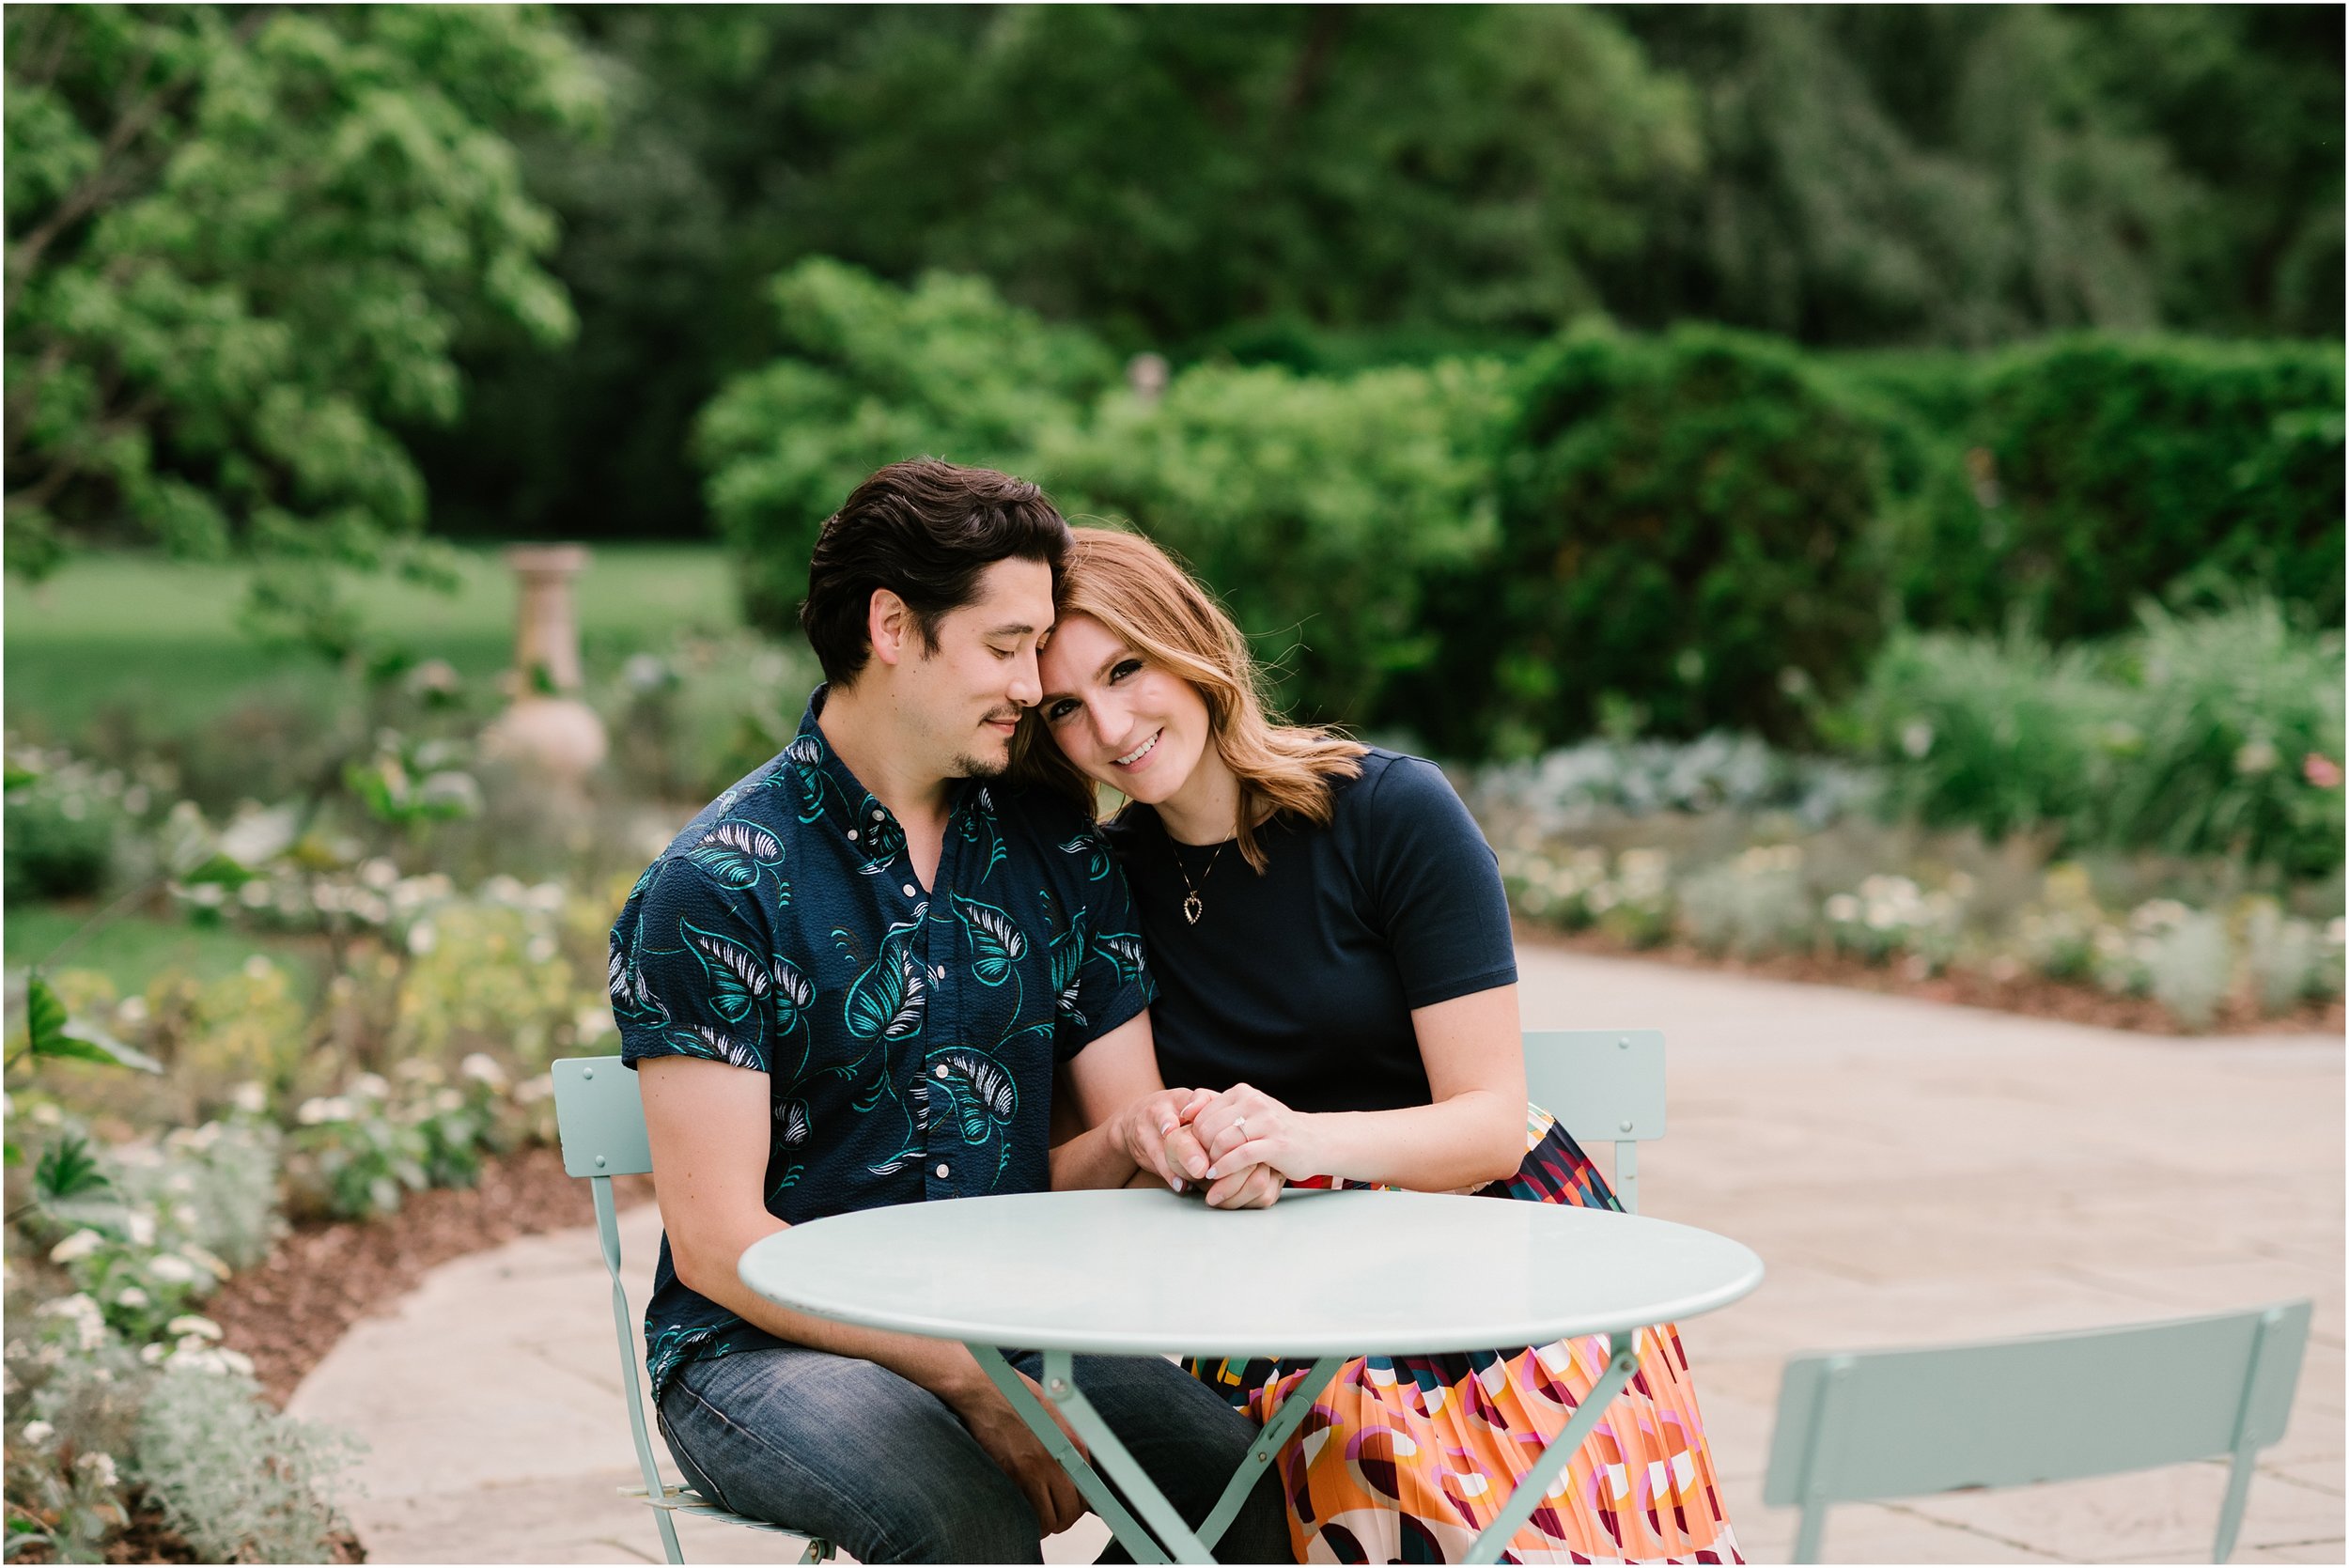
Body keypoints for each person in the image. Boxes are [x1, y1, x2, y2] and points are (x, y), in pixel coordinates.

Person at [1016, 526, 1742, 1564]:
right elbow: (1112, 1162)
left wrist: (1297, 1140)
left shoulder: (1389, 811)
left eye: (1126, 668)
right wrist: (1172, 1139)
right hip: (1270, 1299)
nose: (1111, 725)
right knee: (1311, 1458)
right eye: (1065, 709)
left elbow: (1490, 1124)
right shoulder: (1098, 883)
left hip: (1491, 1269)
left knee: (1411, 1482)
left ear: (1191, 645)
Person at [607, 462, 1288, 1564]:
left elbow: (1126, 1147)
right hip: (763, 1350)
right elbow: (725, 1248)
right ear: (891, 626)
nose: (1032, 687)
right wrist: (973, 1382)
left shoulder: (1060, 857)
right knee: (965, 1519)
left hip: (1018, 1320)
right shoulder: (721, 885)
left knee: (1244, 1493)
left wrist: (1138, 1140)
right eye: (1006, 646)